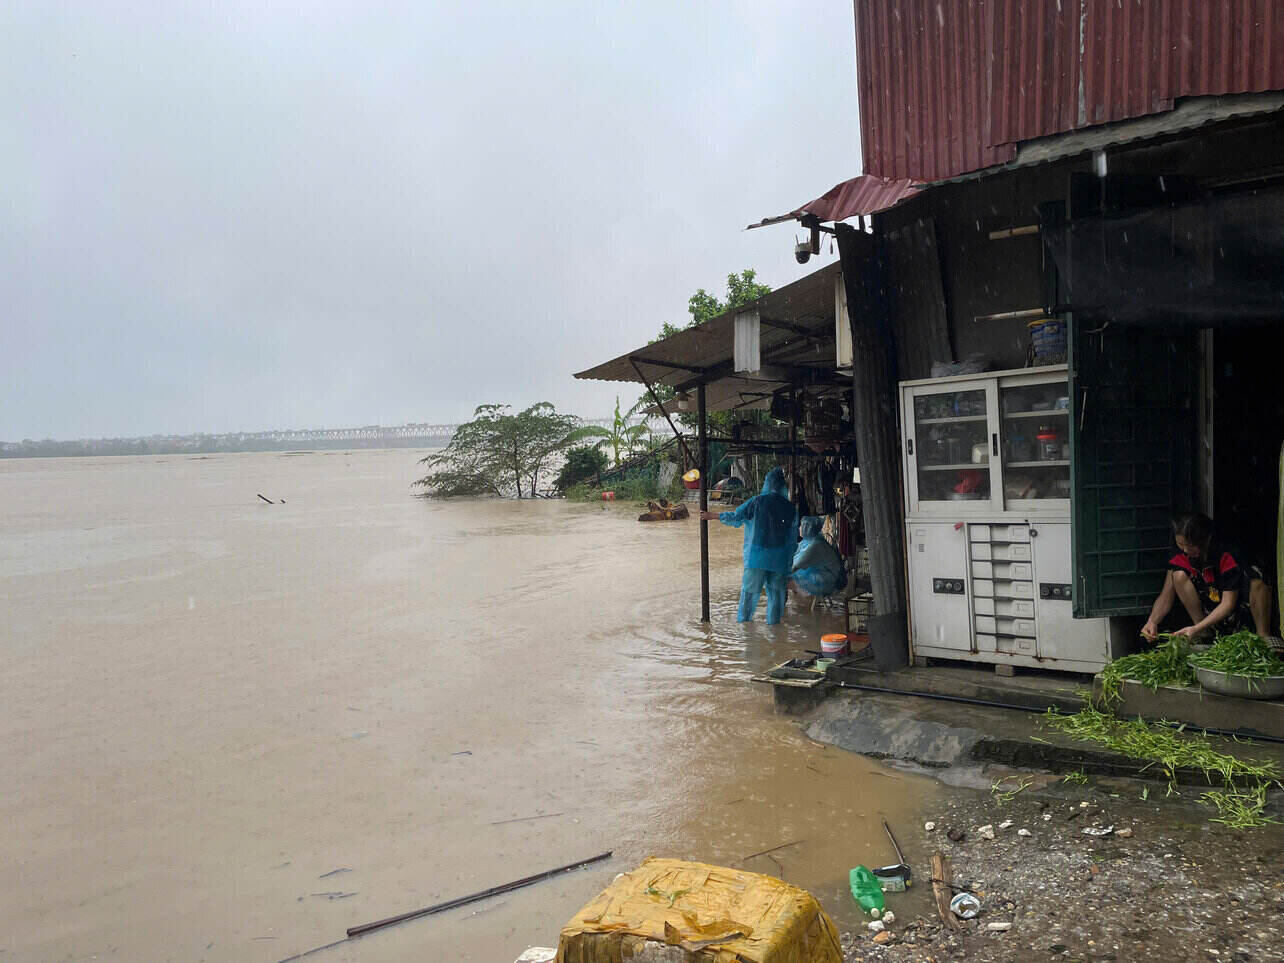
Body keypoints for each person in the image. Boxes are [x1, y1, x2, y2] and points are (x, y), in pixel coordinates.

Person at [1141, 512, 1277, 644]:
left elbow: (1228, 604)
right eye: (1181, 544)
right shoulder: (1182, 554)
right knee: (1177, 575)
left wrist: (1194, 629)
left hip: (1237, 611)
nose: (1185, 550)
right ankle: (1204, 634)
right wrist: (1152, 621)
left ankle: (1263, 637)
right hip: (1210, 610)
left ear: (1204, 540)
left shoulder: (1225, 553)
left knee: (1257, 576)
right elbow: (1166, 595)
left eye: (1190, 545)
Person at [700, 466, 798, 624]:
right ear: (782, 485)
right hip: (779, 559)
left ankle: (744, 628)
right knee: (776, 597)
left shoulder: (757, 501)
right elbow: (792, 537)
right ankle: (775, 631)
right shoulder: (790, 508)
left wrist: (713, 516)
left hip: (756, 558)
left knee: (749, 594)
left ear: (767, 483)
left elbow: (737, 516)